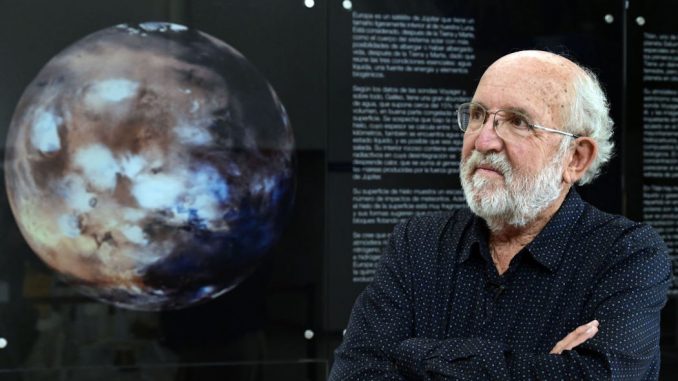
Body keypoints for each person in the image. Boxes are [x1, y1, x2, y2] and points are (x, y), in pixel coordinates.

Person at [329, 50, 671, 380]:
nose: (484, 141)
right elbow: (354, 373)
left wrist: (416, 356)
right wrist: (542, 368)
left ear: (575, 158)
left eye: (518, 122)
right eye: (477, 115)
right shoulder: (417, 243)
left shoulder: (626, 255)